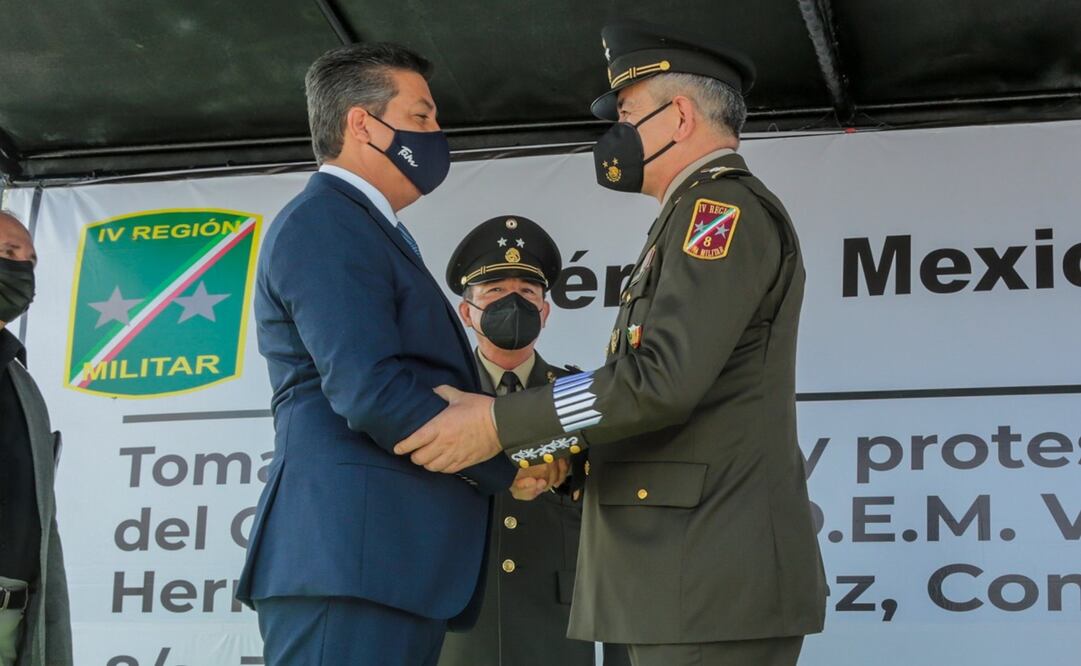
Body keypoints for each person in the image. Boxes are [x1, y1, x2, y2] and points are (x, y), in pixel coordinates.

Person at [395, 21, 827, 666]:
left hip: (701, 574)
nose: (614, 137)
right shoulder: (690, 215)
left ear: (679, 116)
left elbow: (660, 380)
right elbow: (670, 398)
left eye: (627, 115)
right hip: (676, 575)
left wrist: (499, 422)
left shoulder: (719, 212)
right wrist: (570, 465)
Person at [235, 44, 560, 665]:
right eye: (422, 118)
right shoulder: (327, 221)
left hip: (386, 567)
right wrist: (508, 468)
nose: (438, 136)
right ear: (363, 123)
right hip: (351, 564)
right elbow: (370, 390)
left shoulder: (366, 226)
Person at [438, 216, 629, 666]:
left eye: (526, 294)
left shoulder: (581, 397)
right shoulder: (437, 401)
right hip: (460, 623)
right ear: (467, 312)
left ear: (544, 311)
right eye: (494, 292)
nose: (512, 303)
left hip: (557, 627)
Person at [0, 211, 73, 666]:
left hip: (15, 624)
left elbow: (44, 532)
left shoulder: (22, 384)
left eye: (28, 261)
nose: (20, 271)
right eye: (7, 253)